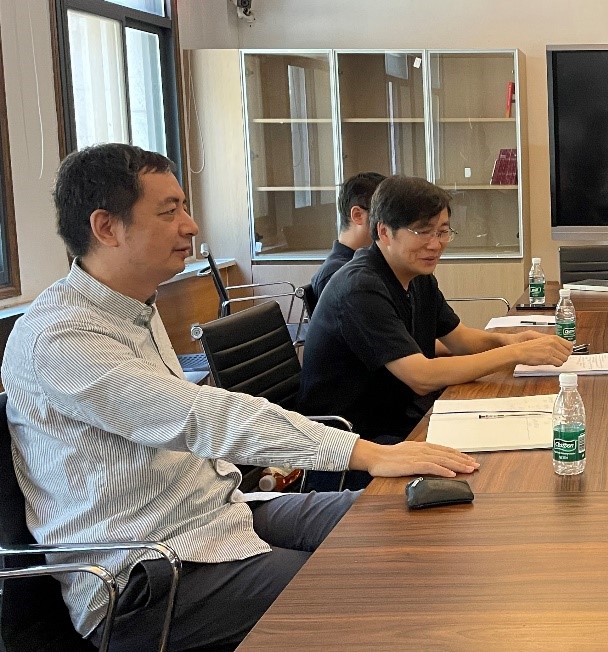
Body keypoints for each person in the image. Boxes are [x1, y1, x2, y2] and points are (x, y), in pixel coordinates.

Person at [1, 143, 479, 651]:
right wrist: (368, 453)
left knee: (406, 522)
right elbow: (201, 415)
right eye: (169, 211)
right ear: (106, 227)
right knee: (366, 589)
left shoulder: (134, 308)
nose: (190, 226)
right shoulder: (60, 337)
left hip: (222, 513)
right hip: (148, 572)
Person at [298, 175, 572, 448]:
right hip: (357, 442)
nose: (435, 244)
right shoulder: (360, 287)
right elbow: (422, 376)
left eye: (442, 232)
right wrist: (516, 353)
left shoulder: (418, 276)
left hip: (405, 418)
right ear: (384, 232)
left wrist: (509, 340)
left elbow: (461, 340)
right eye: (423, 232)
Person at [310, 171, 385, 303]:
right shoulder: (337, 273)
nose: (395, 225)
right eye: (385, 215)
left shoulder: (367, 263)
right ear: (358, 215)